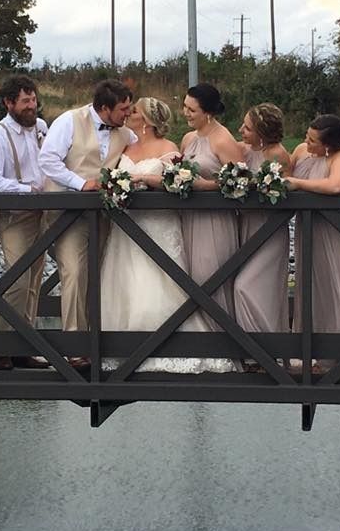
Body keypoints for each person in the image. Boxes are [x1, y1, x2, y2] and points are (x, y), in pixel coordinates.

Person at [99, 97, 236, 373]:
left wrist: (147, 180)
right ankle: (123, 348)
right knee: (126, 279)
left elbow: (178, 181)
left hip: (158, 224)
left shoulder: (169, 148)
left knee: (162, 279)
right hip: (127, 228)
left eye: (134, 111)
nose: (129, 114)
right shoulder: (126, 145)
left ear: (147, 121)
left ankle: (168, 343)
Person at [38, 79, 135, 371]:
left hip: (104, 215)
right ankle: (74, 347)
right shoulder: (69, 121)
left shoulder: (127, 134)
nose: (127, 114)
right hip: (68, 213)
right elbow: (48, 160)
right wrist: (80, 184)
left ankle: (97, 342)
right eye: (123, 109)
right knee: (74, 273)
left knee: (101, 274)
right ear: (104, 108)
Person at [285, 114, 340, 371]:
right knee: (311, 283)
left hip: (338, 227)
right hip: (309, 226)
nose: (305, 142)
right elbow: (284, 172)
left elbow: (335, 186)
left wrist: (298, 184)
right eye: (307, 136)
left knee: (339, 283)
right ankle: (309, 351)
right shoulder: (301, 151)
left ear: (328, 144)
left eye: (312, 140)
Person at [0, 75, 48, 369]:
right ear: (9, 103)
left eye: (33, 100)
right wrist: (26, 190)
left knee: (34, 281)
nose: (31, 106)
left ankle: (24, 345)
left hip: (43, 214)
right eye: (25, 101)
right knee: (17, 280)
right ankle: (2, 347)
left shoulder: (42, 127)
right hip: (14, 215)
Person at [179, 83, 243, 325]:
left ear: (208, 112)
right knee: (189, 278)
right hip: (188, 218)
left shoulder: (223, 140)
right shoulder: (187, 139)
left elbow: (239, 182)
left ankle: (223, 342)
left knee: (210, 277)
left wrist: (204, 185)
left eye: (191, 110)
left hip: (214, 220)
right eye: (184, 107)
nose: (185, 113)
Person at [233, 104, 294, 341]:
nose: (241, 130)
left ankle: (265, 348)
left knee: (247, 287)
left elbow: (284, 192)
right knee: (248, 286)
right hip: (245, 226)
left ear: (262, 131)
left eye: (247, 128)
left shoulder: (279, 155)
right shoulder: (244, 150)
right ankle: (252, 351)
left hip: (269, 231)